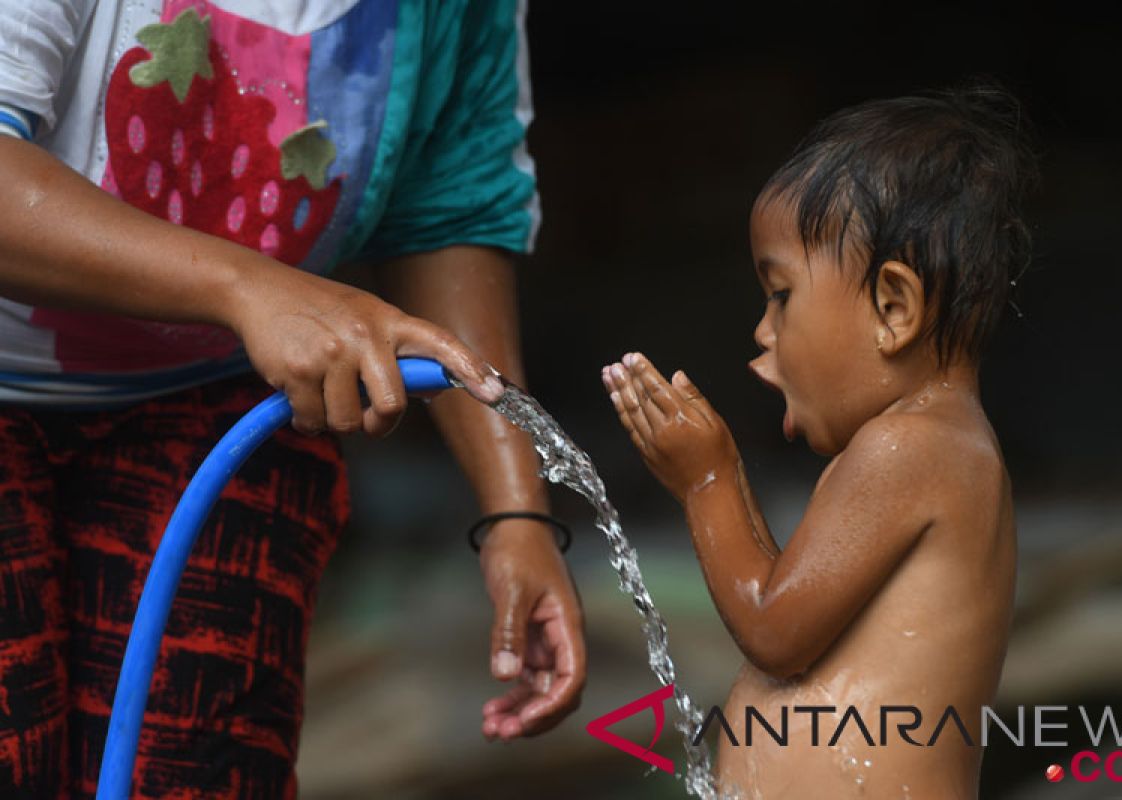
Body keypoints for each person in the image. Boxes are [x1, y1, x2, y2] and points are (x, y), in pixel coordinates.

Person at [0, 1, 585, 797]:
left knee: (201, 771)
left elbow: (447, 200)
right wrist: (249, 286)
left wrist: (518, 516)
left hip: (218, 400)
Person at [602, 85, 1034, 798]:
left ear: (893, 308)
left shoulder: (914, 447)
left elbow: (776, 633)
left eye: (780, 296)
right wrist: (727, 476)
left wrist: (707, 482)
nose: (762, 333)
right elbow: (793, 606)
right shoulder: (929, 448)